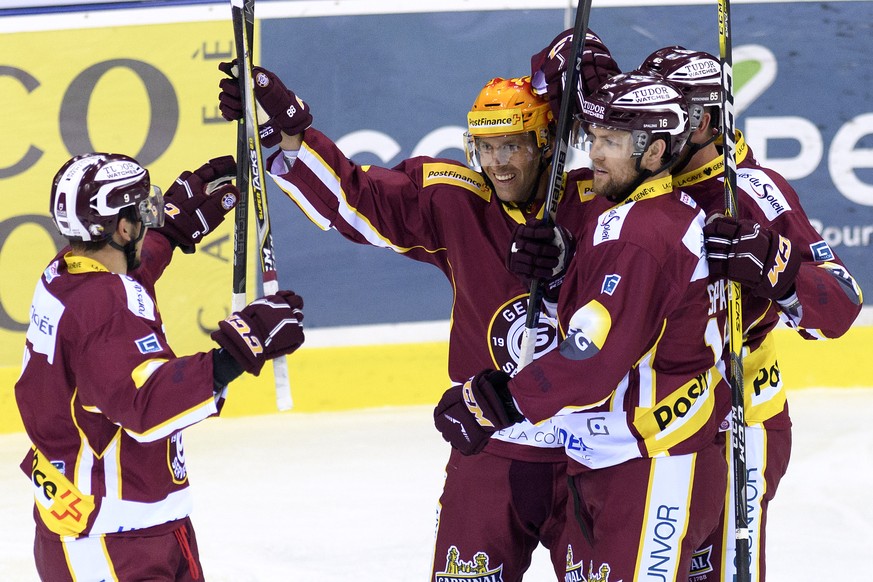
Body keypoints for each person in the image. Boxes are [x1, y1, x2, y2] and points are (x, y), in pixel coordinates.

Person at [216, 32, 619, 581]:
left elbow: (663, 246)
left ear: (546, 144)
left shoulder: (604, 202)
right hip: (492, 448)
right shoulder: (457, 202)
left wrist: (573, 255)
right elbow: (357, 200)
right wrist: (293, 137)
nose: (497, 164)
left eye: (513, 147)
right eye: (485, 147)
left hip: (592, 453)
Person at [434, 71, 733, 579]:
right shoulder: (652, 212)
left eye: (612, 142)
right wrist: (563, 266)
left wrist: (500, 402)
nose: (594, 154)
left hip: (652, 460)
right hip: (637, 453)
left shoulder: (639, 232)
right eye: (593, 138)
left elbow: (591, 357)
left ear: (656, 152)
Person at [15, 152, 306, 581]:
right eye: (142, 213)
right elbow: (146, 405)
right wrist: (238, 350)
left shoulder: (67, 273)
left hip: (122, 524)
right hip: (111, 546)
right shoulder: (102, 309)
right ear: (123, 228)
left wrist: (168, 233)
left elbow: (125, 285)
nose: (151, 216)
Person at [638, 46, 864, 582]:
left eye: (674, 115)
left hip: (737, 420)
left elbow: (841, 303)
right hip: (643, 423)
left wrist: (777, 267)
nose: (654, 128)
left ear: (708, 120)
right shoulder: (636, 182)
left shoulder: (752, 192)